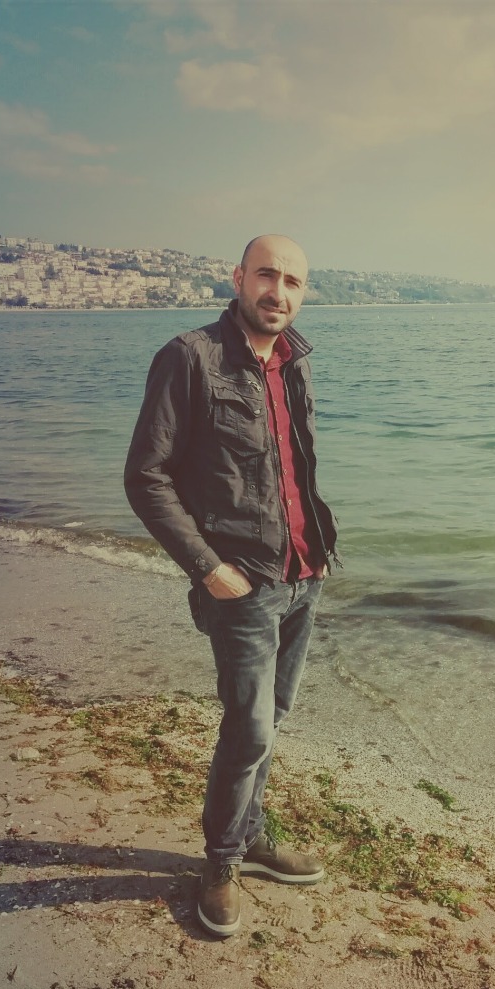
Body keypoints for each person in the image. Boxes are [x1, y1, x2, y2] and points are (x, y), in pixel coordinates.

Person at [125, 234, 339, 937]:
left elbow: (292, 470)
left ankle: (251, 837)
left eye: (293, 282)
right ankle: (220, 863)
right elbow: (146, 477)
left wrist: (317, 552)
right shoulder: (190, 357)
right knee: (248, 729)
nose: (279, 292)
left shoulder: (294, 360)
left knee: (271, 717)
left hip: (302, 573)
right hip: (241, 582)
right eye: (267, 276)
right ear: (239, 277)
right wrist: (207, 567)